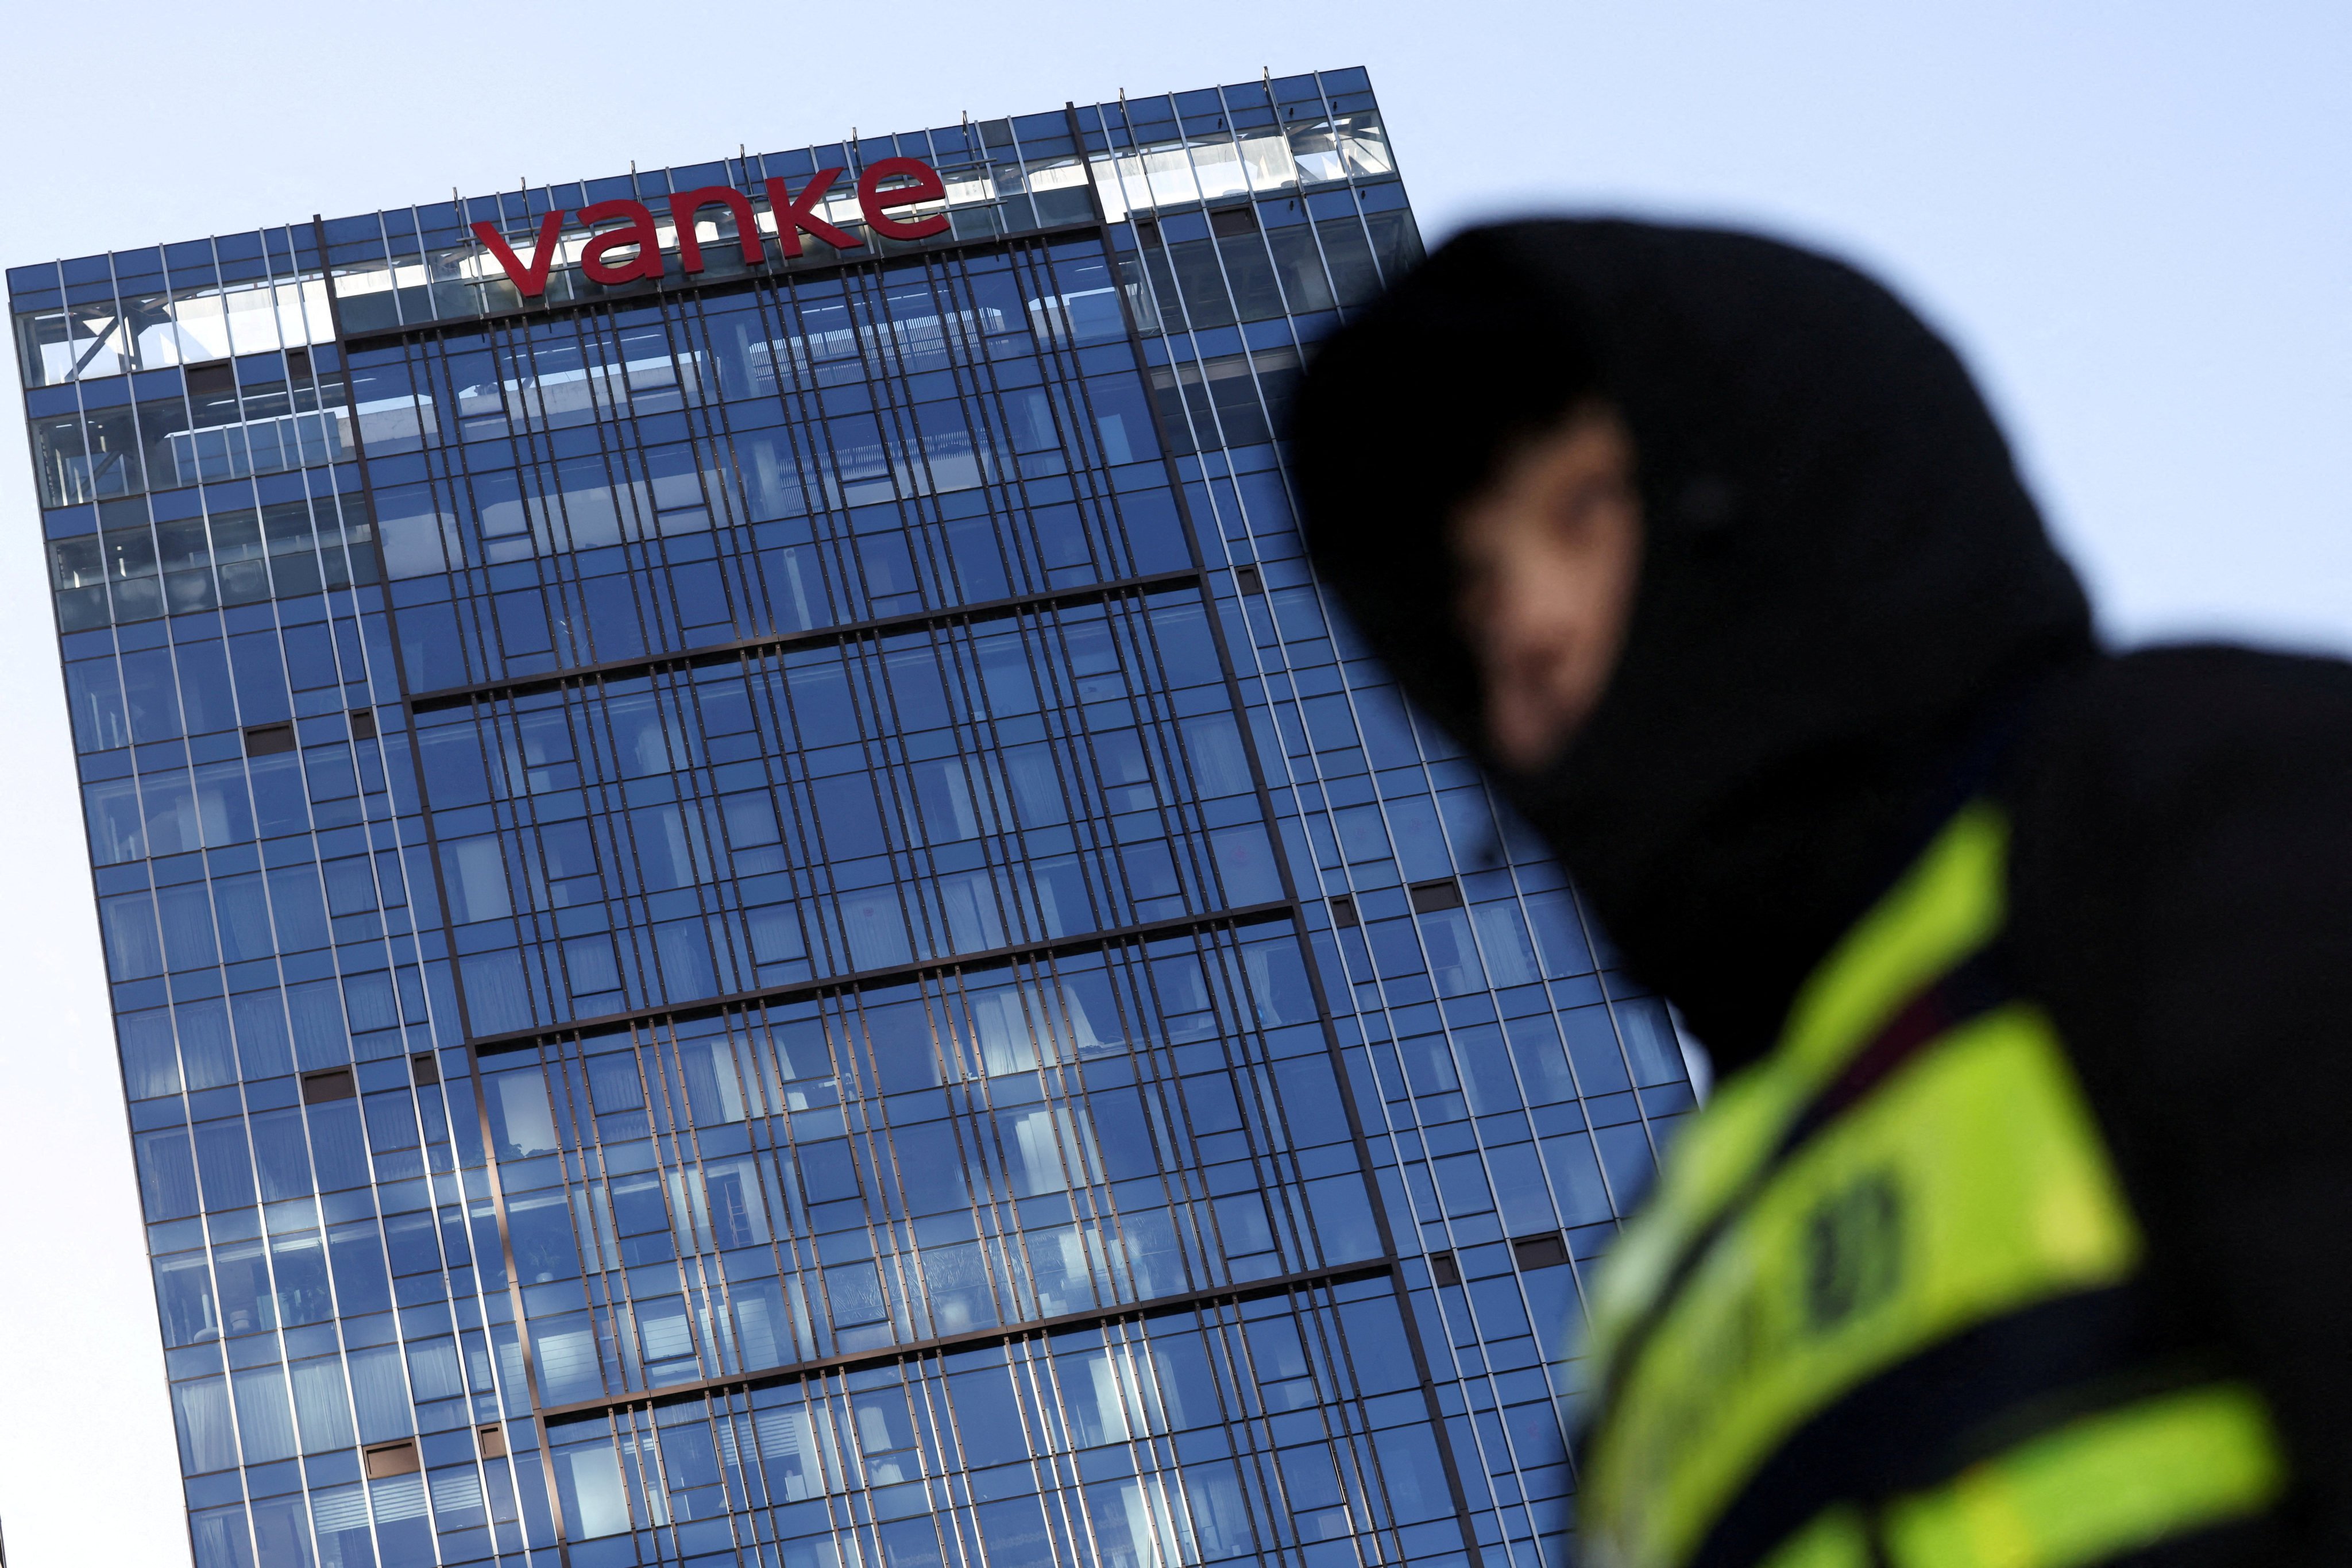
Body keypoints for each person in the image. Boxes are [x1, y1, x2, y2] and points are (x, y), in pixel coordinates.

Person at [1288, 220, 2352, 1568]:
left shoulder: (2169, 795)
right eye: (1479, 592)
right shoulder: (1651, 1272)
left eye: (1580, 507)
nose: (1530, 625)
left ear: (1772, 485)